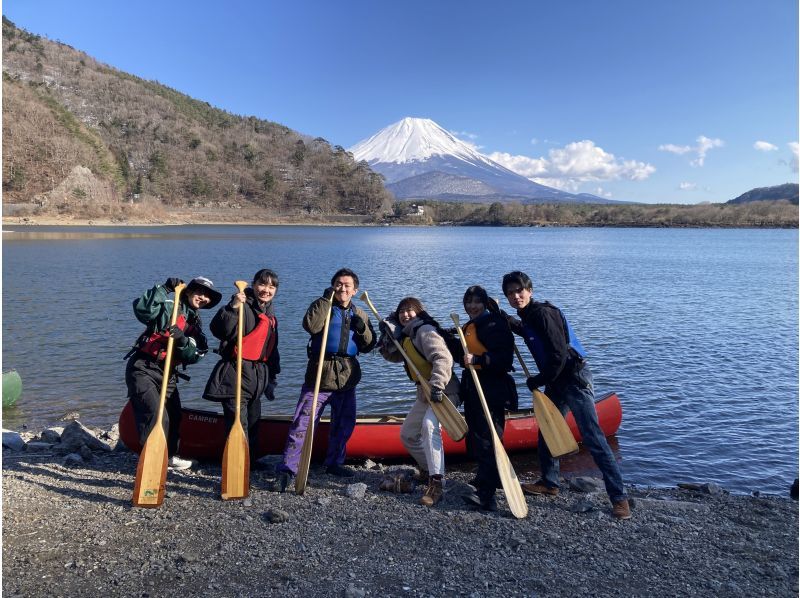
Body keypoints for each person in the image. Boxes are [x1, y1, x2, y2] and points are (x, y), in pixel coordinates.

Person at [501, 270, 631, 519]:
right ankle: (549, 483)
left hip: (573, 379)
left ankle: (619, 497)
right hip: (556, 380)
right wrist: (500, 315)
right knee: (548, 430)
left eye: (520, 290)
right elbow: (522, 328)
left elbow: (559, 355)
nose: (516, 296)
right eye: (510, 293)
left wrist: (536, 380)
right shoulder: (528, 315)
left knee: (593, 437)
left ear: (530, 290)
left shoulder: (543, 313)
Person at [270, 268, 376, 491]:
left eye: (347, 285)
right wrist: (325, 299)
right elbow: (311, 325)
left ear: (355, 290)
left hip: (347, 376)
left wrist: (362, 328)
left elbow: (368, 345)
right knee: (303, 422)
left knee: (344, 423)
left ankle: (334, 462)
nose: (342, 288)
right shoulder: (323, 305)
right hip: (321, 371)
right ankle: (289, 468)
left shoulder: (360, 313)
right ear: (332, 285)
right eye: (339, 284)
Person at [125, 276, 221, 470]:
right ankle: (152, 460)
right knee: (155, 414)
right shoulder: (169, 305)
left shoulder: (194, 323)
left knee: (174, 415)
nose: (203, 297)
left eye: (207, 296)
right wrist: (165, 288)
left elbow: (197, 354)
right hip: (143, 368)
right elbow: (143, 310)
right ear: (189, 291)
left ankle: (169, 457)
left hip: (168, 373)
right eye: (199, 292)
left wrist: (182, 340)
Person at [378, 297, 460, 507]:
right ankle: (429, 469)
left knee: (429, 426)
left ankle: (437, 483)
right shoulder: (407, 335)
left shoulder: (424, 331)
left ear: (419, 312)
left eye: (410, 310)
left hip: (444, 392)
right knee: (408, 434)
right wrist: (386, 341)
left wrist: (437, 385)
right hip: (425, 394)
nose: (405, 315)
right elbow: (398, 357)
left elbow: (443, 358)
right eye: (401, 312)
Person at [203, 269, 280, 469]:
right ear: (253, 285)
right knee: (238, 423)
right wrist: (233, 307)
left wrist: (272, 378)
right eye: (263, 284)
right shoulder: (241, 304)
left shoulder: (269, 312)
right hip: (235, 374)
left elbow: (271, 350)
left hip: (257, 377)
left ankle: (250, 461)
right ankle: (235, 466)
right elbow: (219, 330)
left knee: (254, 422)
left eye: (272, 287)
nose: (266, 290)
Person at [456, 286, 517, 512]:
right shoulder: (470, 326)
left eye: (477, 302)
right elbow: (460, 352)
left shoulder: (494, 324)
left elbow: (504, 358)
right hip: (473, 387)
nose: (472, 306)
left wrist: (479, 358)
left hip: (491, 389)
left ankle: (487, 497)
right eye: (468, 301)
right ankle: (487, 477)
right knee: (477, 437)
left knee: (487, 439)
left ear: (485, 303)